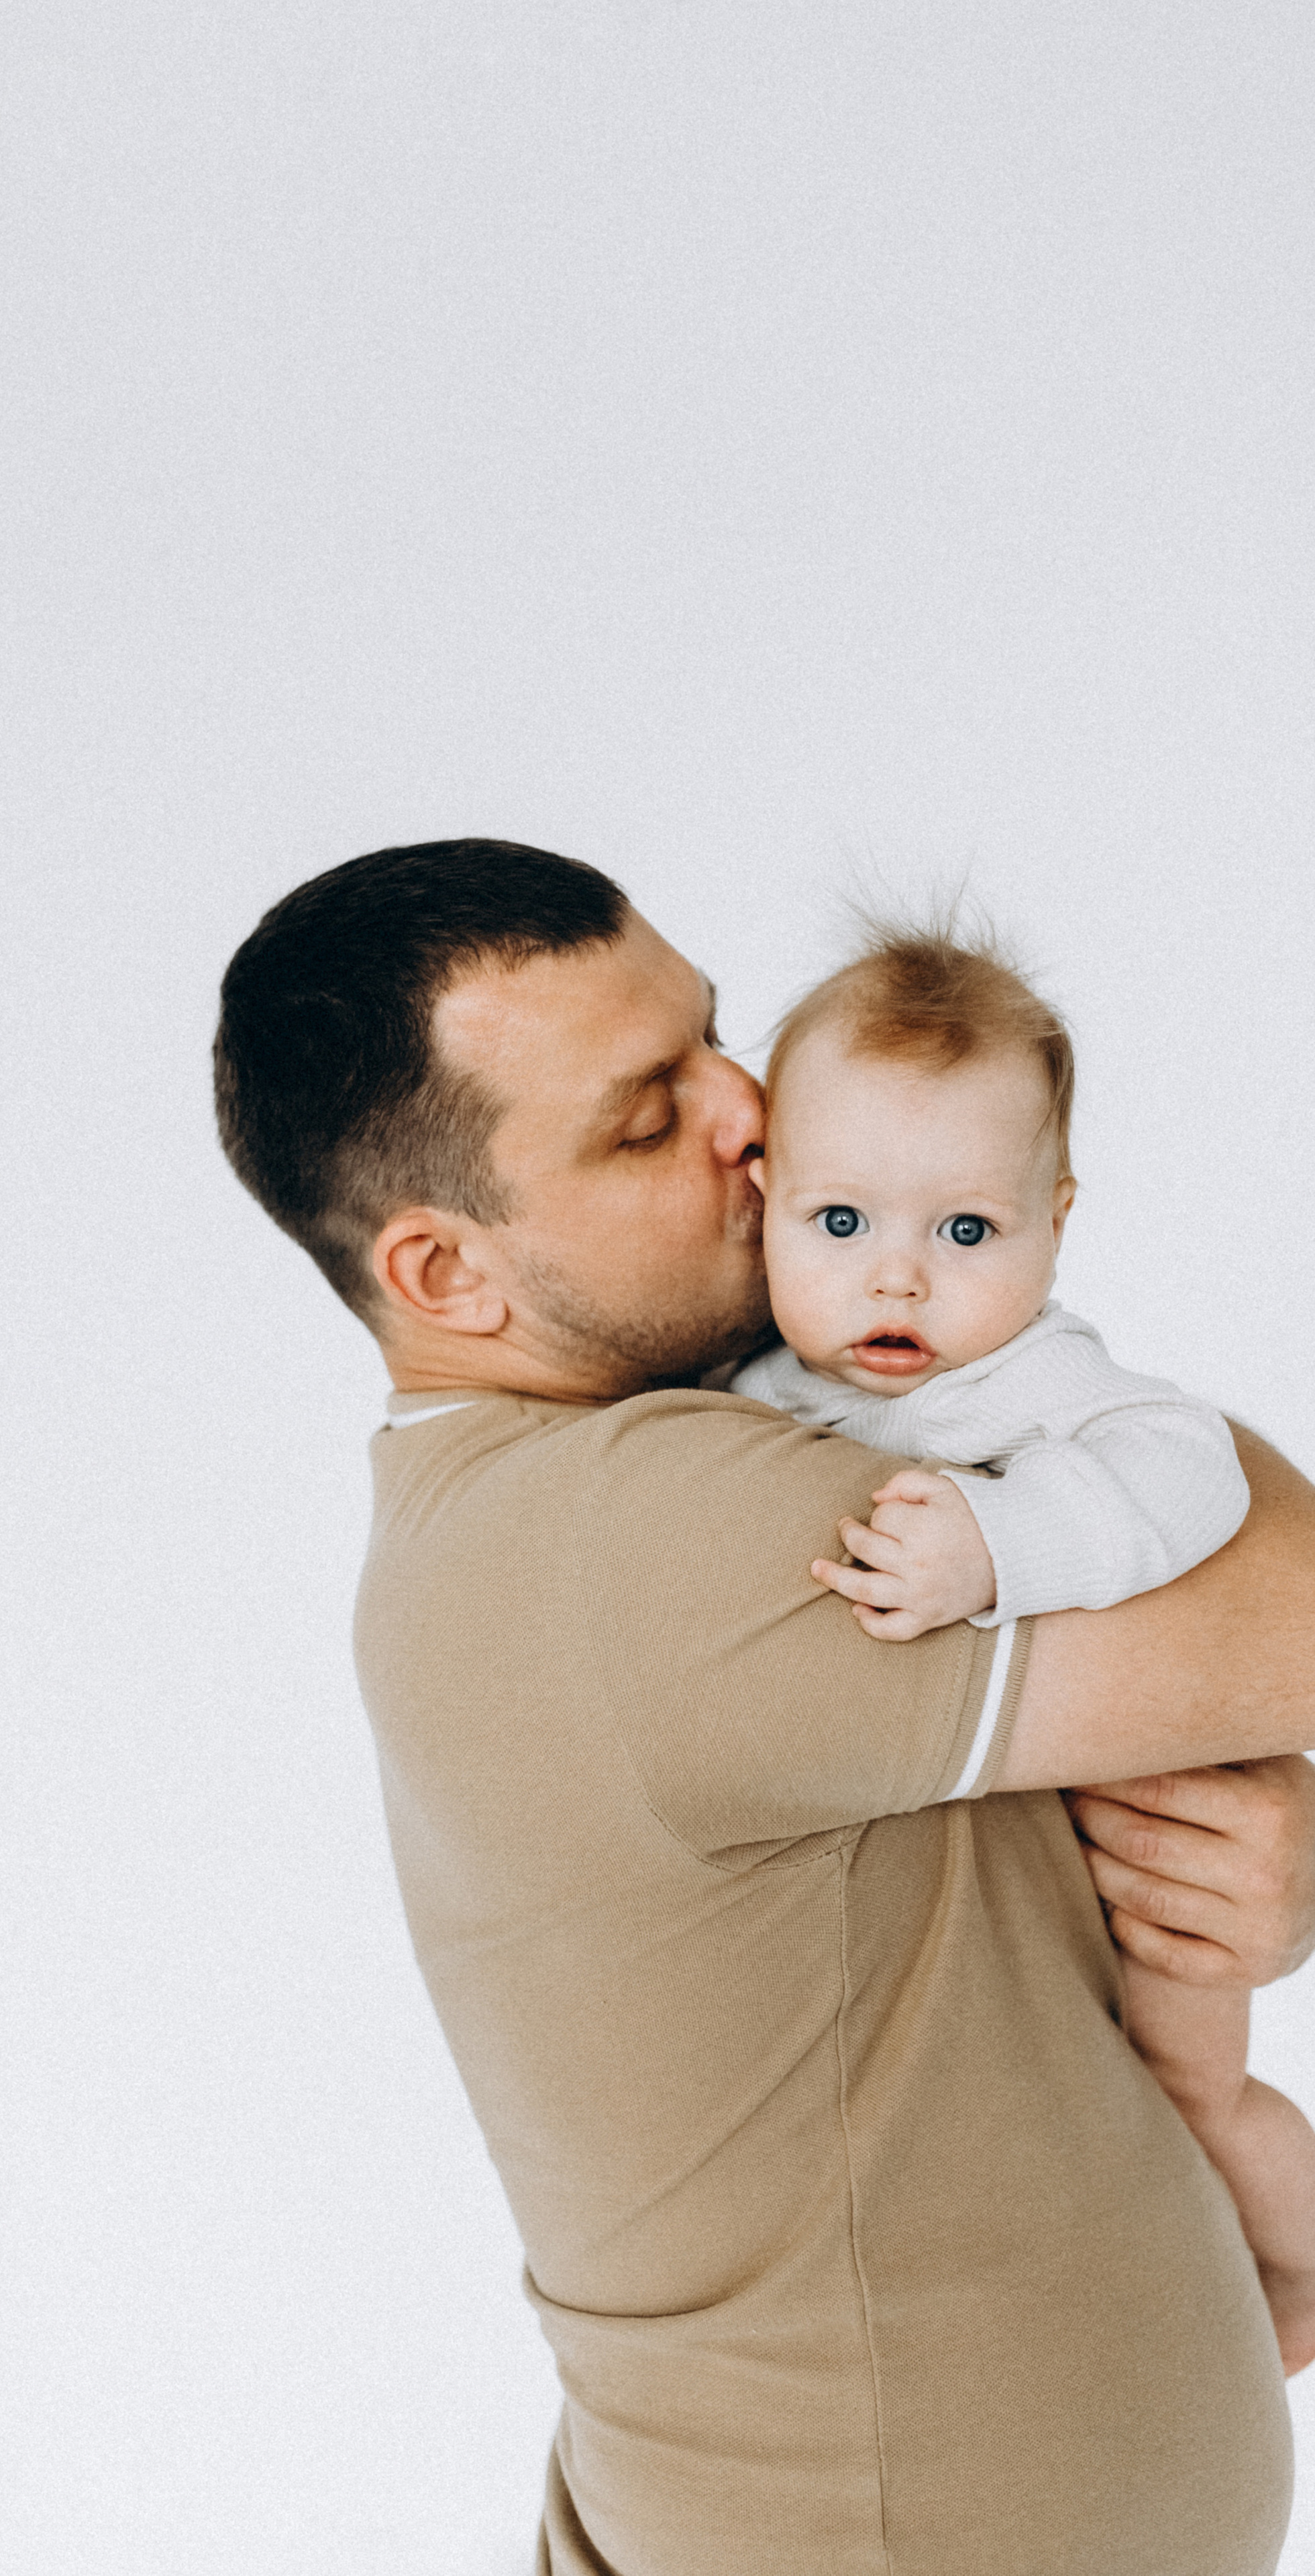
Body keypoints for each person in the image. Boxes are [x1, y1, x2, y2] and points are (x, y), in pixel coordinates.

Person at [213, 839, 1315, 2576]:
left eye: (718, 1040)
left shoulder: (673, 1467)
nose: (754, 1110)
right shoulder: (629, 1536)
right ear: (444, 1276)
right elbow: (1294, 1607)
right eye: (648, 1117)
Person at [729, 916, 1315, 2374]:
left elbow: (1188, 1472)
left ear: (1053, 1221)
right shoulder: (755, 1386)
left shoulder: (1044, 1383)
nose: (898, 1283)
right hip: (993, 1877)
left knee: (1187, 2097)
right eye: (839, 1222)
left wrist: (1001, 1549)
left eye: (966, 1232)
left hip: (1151, 1835)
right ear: (763, 1205)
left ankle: (1299, 2266)